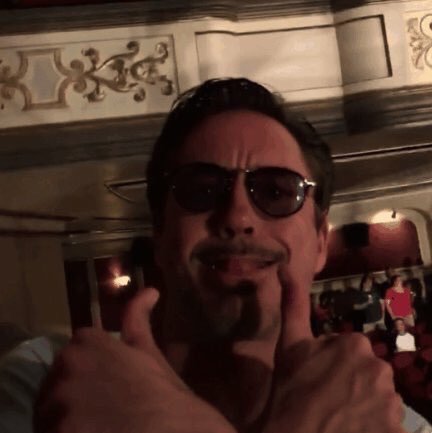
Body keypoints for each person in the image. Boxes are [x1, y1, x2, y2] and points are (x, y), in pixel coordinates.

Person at [1, 78, 430, 433]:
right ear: (159, 232)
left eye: (276, 191)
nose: (238, 216)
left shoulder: (391, 424)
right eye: (201, 189)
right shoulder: (47, 380)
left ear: (320, 241)